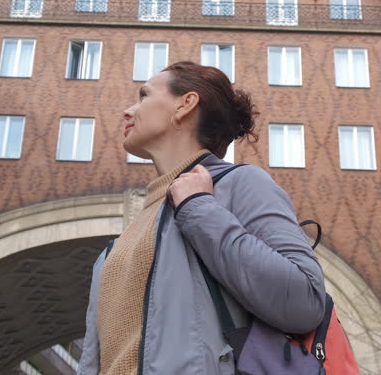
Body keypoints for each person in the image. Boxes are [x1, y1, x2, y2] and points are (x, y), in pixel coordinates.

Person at [78, 61, 326, 375]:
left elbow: (305, 300)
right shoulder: (133, 232)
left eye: (144, 96)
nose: (128, 111)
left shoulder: (239, 184)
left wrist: (199, 209)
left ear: (185, 104)